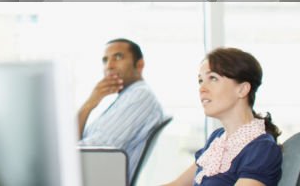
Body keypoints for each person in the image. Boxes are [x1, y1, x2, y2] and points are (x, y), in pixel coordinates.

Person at [161, 47, 281, 186]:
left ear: (242, 89)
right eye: (200, 80)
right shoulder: (218, 139)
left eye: (213, 78)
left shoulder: (261, 148)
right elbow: (177, 185)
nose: (202, 88)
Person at [78, 38, 165, 183]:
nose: (109, 66)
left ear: (139, 64)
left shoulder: (139, 96)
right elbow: (79, 142)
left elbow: (93, 150)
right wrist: (89, 104)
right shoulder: (125, 97)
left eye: (118, 57)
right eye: (105, 60)